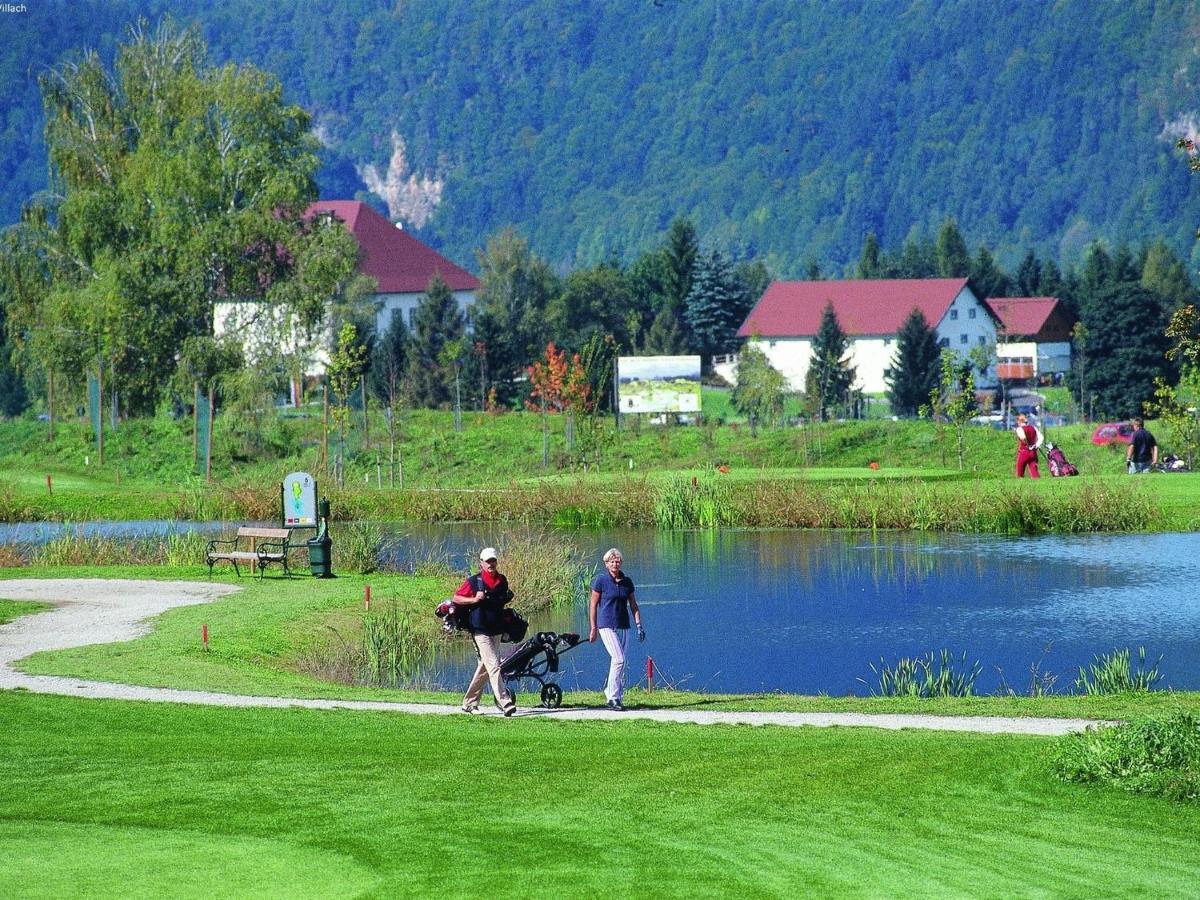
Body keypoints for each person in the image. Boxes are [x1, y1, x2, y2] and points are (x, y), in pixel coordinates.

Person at [453, 547, 517, 716]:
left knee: (486, 666)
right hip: (479, 629)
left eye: (493, 561)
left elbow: (501, 602)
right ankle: (506, 702)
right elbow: (457, 598)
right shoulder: (474, 581)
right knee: (494, 666)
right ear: (481, 563)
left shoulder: (502, 580)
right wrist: (474, 599)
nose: (491, 564)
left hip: (496, 629)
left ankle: (469, 703)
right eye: (488, 561)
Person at [588, 547, 644, 711]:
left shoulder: (627, 582)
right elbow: (593, 605)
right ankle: (612, 697)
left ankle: (617, 696)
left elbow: (633, 605)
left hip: (624, 625)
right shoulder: (601, 581)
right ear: (606, 564)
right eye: (612, 561)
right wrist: (593, 628)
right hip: (606, 625)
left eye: (617, 560)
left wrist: (639, 625)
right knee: (618, 659)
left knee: (620, 661)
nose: (615, 563)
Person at [1013, 413, 1043, 478]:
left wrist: (1027, 443)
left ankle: (1020, 485)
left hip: (1024, 451)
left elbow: (1023, 437)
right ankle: (1038, 484)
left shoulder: (1019, 429)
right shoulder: (1033, 427)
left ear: (1019, 421)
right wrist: (1036, 445)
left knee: (1020, 472)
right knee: (1034, 471)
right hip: (1033, 452)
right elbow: (1041, 437)